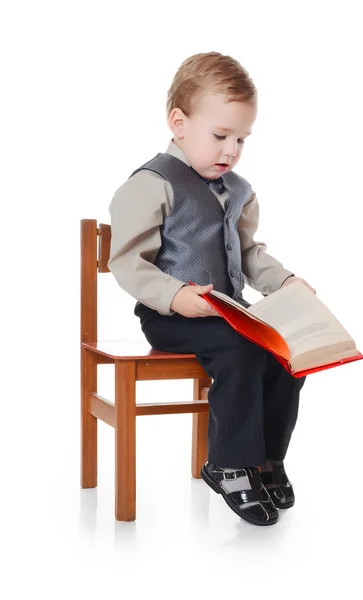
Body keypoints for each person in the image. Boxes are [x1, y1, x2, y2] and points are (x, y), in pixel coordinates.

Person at [108, 51, 316, 527]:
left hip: (229, 312)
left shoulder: (238, 190)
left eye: (241, 139)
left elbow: (247, 254)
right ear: (179, 123)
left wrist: (283, 281)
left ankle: (265, 457)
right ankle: (228, 463)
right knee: (241, 351)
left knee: (287, 351)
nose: (231, 150)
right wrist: (179, 297)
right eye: (220, 136)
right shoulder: (153, 183)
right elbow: (127, 263)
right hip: (172, 318)